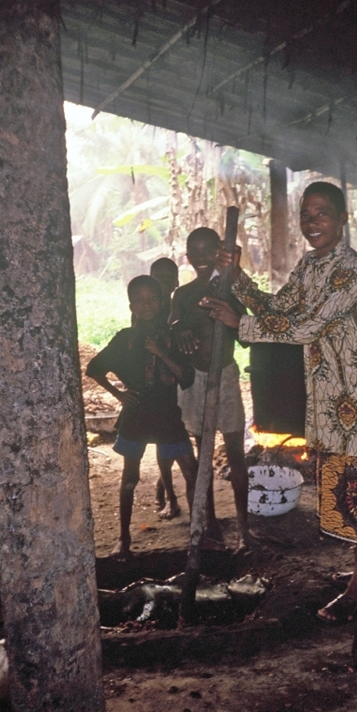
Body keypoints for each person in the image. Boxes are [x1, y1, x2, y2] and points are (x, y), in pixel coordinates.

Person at [205, 181, 357, 622]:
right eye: (306, 214)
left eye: (322, 213)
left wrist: (242, 325)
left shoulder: (354, 271)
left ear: (343, 219)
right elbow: (281, 309)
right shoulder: (310, 266)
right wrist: (239, 281)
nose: (312, 222)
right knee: (348, 476)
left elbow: (307, 326)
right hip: (330, 391)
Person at [86, 275, 197, 557]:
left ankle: (200, 533)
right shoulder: (125, 338)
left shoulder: (174, 336)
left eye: (152, 299)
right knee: (129, 479)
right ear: (131, 306)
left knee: (191, 471)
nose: (147, 305)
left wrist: (162, 353)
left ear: (161, 302)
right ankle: (123, 539)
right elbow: (94, 368)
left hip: (167, 415)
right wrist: (119, 394)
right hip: (136, 415)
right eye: (140, 300)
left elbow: (186, 378)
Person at [169, 227, 250, 549]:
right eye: (195, 251)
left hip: (225, 375)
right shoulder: (184, 295)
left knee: (236, 456)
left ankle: (244, 527)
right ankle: (211, 525)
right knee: (203, 457)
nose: (202, 258)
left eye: (208, 251)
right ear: (187, 256)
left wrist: (230, 310)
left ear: (219, 251)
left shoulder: (229, 287)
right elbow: (172, 325)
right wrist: (180, 330)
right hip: (198, 379)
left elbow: (245, 333)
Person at [149, 257, 183, 520]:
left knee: (175, 438)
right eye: (158, 277)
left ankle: (163, 485)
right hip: (158, 384)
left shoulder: (179, 305)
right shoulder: (147, 309)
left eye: (169, 277)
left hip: (180, 380)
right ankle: (171, 498)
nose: (164, 282)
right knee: (164, 440)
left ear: (176, 281)